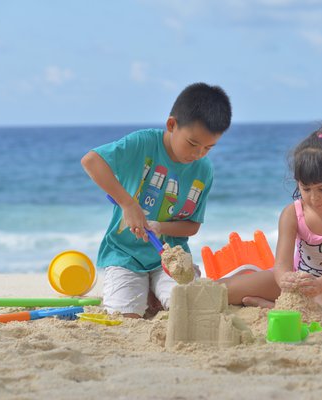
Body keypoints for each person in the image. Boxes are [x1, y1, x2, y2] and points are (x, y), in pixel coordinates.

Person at [81, 82, 232, 318]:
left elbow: (192, 226)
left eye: (208, 148)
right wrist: (128, 204)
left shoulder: (203, 170)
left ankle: (155, 293)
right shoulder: (142, 143)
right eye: (192, 143)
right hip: (125, 255)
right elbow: (91, 161)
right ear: (172, 125)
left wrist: (160, 227)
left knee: (186, 310)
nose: (198, 154)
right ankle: (147, 293)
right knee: (124, 317)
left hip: (172, 259)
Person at [223, 122, 322, 310]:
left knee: (319, 307)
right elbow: (281, 265)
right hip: (296, 284)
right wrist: (285, 279)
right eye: (306, 189)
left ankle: (269, 306)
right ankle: (274, 303)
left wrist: (318, 286)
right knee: (228, 289)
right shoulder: (292, 213)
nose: (314, 198)